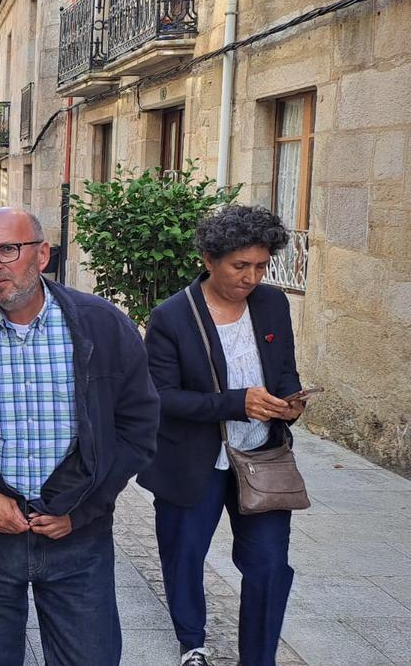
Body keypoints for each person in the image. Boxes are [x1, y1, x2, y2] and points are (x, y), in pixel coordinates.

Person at [0, 207, 159, 666]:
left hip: (77, 537)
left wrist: (83, 508)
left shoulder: (102, 325)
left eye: (8, 249)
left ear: (42, 254)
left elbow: (139, 426)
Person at [139, 205, 303, 666]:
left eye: (260, 265)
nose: (251, 277)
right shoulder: (173, 316)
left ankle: (260, 657)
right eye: (240, 265)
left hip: (261, 459)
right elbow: (161, 397)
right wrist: (237, 402)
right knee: (184, 557)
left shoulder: (273, 304)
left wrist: (289, 403)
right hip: (191, 463)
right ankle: (192, 643)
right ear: (209, 260)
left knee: (270, 565)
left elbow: (284, 372)